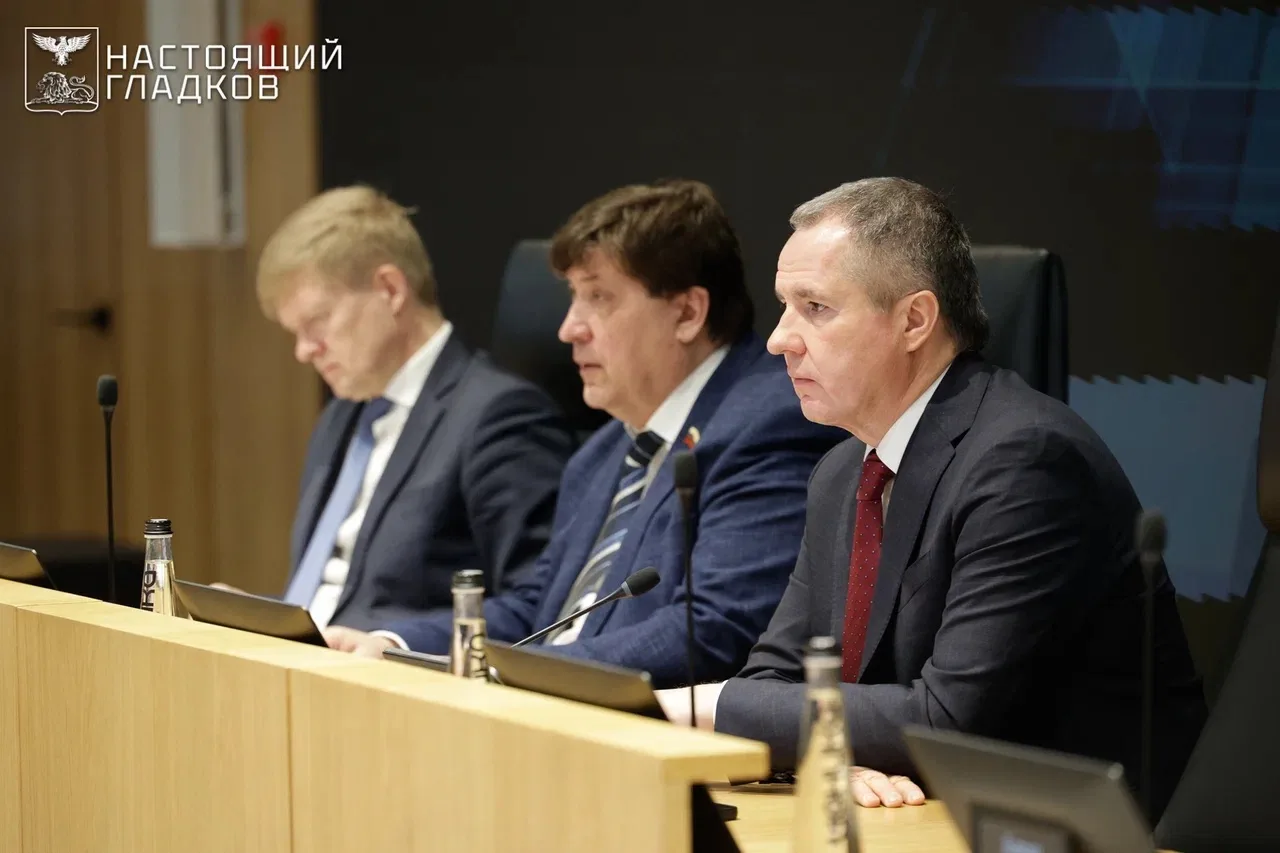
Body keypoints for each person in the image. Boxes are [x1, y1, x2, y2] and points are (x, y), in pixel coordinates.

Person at [658, 177, 1207, 822]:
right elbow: (776, 678)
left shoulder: (1025, 462)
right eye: (784, 306)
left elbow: (948, 719)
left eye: (815, 307)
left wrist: (699, 705)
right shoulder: (843, 472)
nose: (780, 339)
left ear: (914, 320)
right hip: (924, 814)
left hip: (1078, 832)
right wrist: (830, 751)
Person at [324, 179, 846, 688]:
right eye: (573, 297)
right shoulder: (603, 452)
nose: (569, 328)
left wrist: (515, 674)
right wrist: (398, 643)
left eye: (598, 297)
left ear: (687, 313)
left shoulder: (768, 426)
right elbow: (536, 607)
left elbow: (713, 628)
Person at [251, 185, 576, 631]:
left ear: (390, 289)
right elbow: (336, 597)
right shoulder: (341, 417)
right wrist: (256, 615)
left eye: (317, 322)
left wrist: (394, 642)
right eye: (296, 333)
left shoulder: (499, 416)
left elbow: (537, 605)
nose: (304, 351)